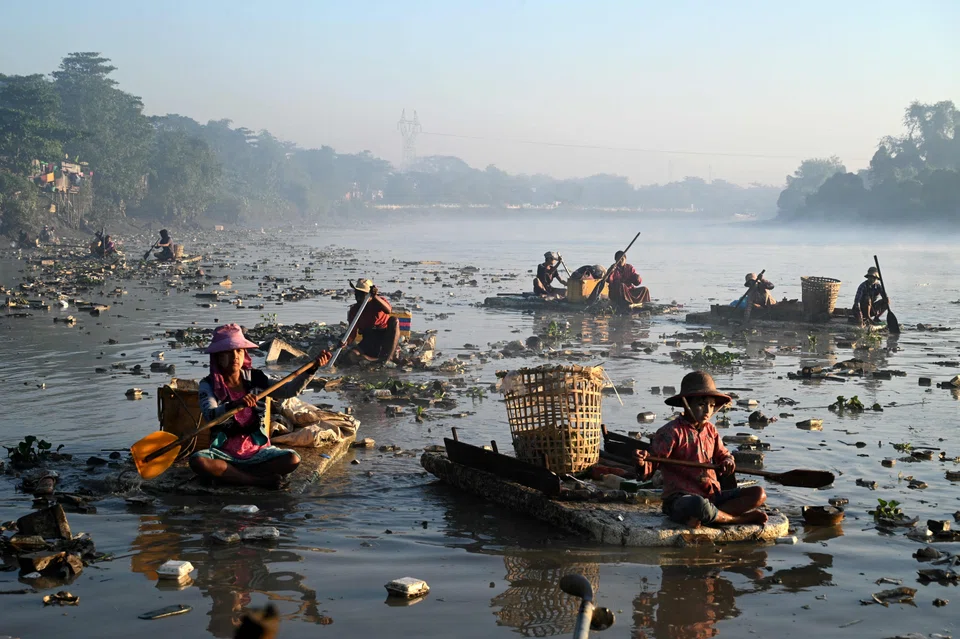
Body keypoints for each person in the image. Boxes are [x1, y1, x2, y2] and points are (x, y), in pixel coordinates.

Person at [190, 323, 332, 489]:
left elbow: (288, 390)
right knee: (198, 461)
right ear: (217, 357)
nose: (235, 356)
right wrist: (234, 405)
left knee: (292, 459)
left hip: (258, 452)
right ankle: (256, 480)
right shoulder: (208, 385)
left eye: (239, 351)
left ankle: (234, 476)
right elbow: (210, 414)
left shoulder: (256, 378)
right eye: (228, 352)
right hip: (224, 454)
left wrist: (312, 370)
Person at [634, 371, 767, 528]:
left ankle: (710, 516)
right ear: (686, 404)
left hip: (712, 495)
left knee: (759, 494)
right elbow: (651, 465)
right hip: (681, 499)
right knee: (698, 504)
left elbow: (723, 454)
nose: (707, 411)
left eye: (711, 405)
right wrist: (643, 461)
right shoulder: (670, 432)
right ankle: (735, 519)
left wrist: (728, 461)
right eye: (701, 404)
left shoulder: (711, 430)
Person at [342, 278, 400, 365]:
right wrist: (345, 342)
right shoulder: (354, 310)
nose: (358, 297)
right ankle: (372, 360)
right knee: (351, 356)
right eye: (356, 293)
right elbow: (352, 333)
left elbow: (388, 310)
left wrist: (375, 296)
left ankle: (389, 358)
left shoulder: (379, 302)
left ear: (369, 295)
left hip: (384, 337)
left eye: (362, 294)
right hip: (369, 339)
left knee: (394, 320)